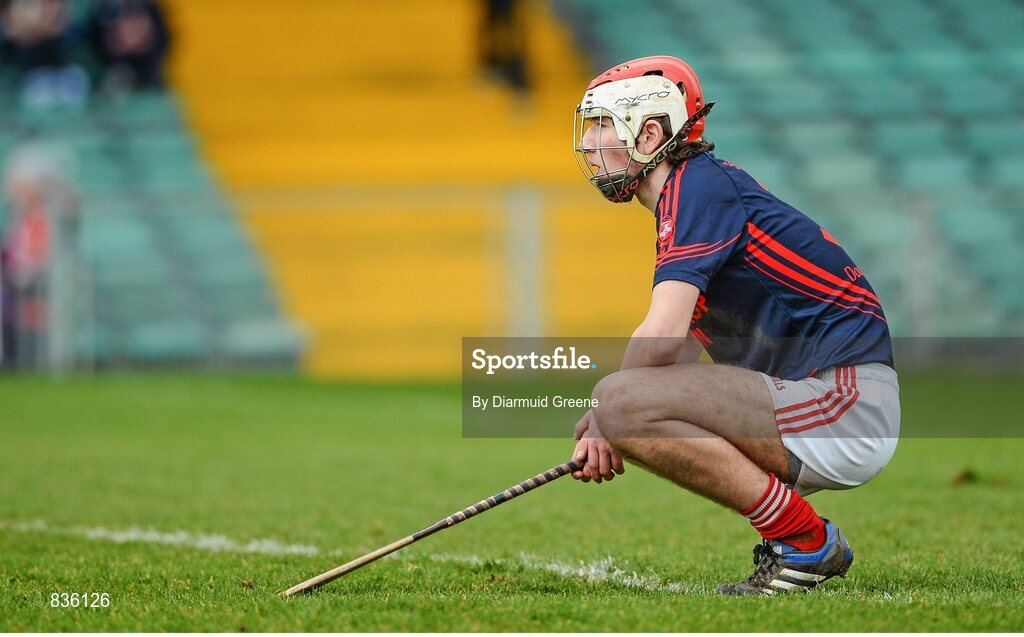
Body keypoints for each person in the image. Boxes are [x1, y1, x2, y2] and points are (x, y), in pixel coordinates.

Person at [569, 56, 900, 596]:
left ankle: (805, 542)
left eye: (602, 124)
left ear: (650, 134)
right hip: (824, 399)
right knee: (622, 400)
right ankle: (802, 539)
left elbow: (663, 333)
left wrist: (610, 415)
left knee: (620, 398)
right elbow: (677, 360)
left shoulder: (696, 187)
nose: (589, 143)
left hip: (843, 403)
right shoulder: (694, 195)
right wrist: (609, 420)